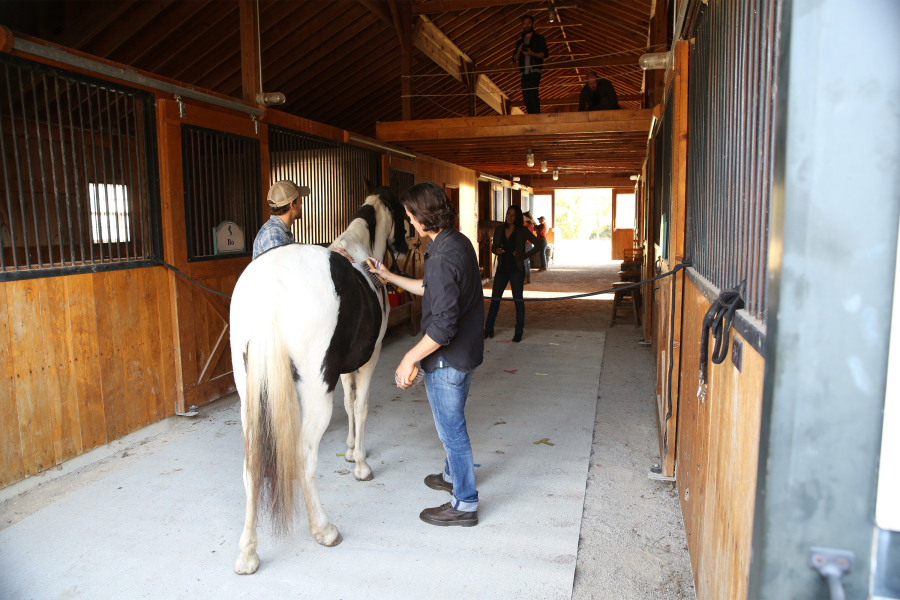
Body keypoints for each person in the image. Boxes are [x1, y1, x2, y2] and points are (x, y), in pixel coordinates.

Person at [367, 182, 484, 527]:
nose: (409, 222)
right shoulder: (455, 242)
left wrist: (409, 358)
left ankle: (464, 504)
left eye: (409, 216)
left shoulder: (443, 256)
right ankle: (451, 474)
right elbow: (429, 288)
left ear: (420, 218)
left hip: (449, 360)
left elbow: (443, 327)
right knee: (454, 423)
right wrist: (388, 275)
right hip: (464, 354)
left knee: (452, 432)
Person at [252, 180, 354, 262]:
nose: (301, 206)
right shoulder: (273, 234)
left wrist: (325, 252)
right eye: (300, 201)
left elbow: (299, 251)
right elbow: (284, 266)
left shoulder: (281, 231)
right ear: (292, 205)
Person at [484, 205, 540, 342]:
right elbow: (493, 247)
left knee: (518, 300)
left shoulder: (523, 230)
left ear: (518, 216)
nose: (510, 217)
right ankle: (488, 329)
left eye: (513, 215)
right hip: (502, 269)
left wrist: (523, 255)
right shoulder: (499, 229)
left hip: (516, 269)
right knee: (495, 299)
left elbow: (538, 244)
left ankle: (518, 331)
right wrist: (495, 250)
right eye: (508, 213)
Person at [512, 15, 549, 115]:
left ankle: (536, 115)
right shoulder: (520, 42)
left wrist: (532, 53)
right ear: (522, 26)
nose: (526, 25)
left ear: (533, 24)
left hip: (535, 70)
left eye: (528, 23)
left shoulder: (539, 38)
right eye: (524, 23)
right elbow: (514, 59)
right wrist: (519, 50)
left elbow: (544, 54)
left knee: (533, 93)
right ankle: (531, 115)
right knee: (526, 96)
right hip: (524, 72)